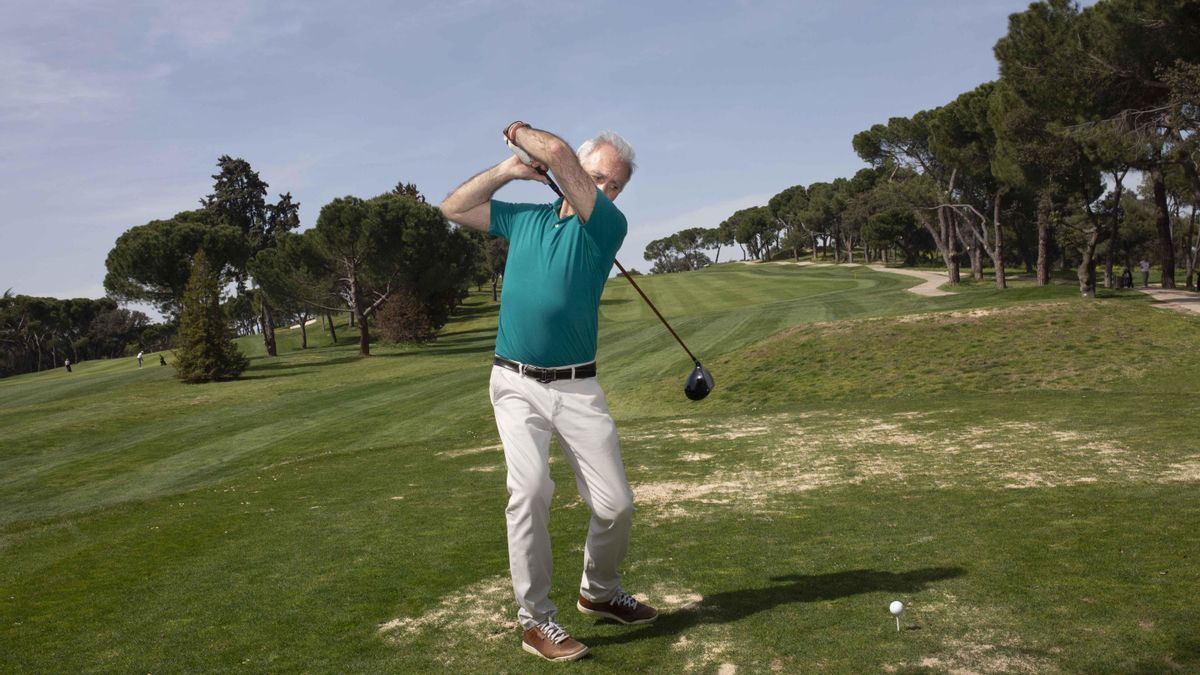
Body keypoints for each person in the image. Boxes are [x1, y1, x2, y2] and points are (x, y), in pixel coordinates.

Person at [440, 123, 657, 662]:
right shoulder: (527, 219)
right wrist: (508, 170)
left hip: (579, 386)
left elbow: (557, 152)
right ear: (582, 173)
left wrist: (514, 130)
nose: (607, 190)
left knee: (616, 505)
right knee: (531, 491)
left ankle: (599, 591)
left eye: (616, 185)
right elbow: (454, 208)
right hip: (514, 382)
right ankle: (536, 621)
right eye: (600, 178)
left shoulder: (605, 227)